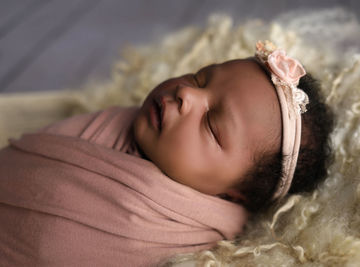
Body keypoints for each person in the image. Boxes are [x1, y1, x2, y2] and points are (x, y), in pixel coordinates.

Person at [0, 41, 333, 266]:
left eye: (212, 126)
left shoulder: (183, 231)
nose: (186, 94)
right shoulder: (115, 124)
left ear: (233, 194)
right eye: (199, 78)